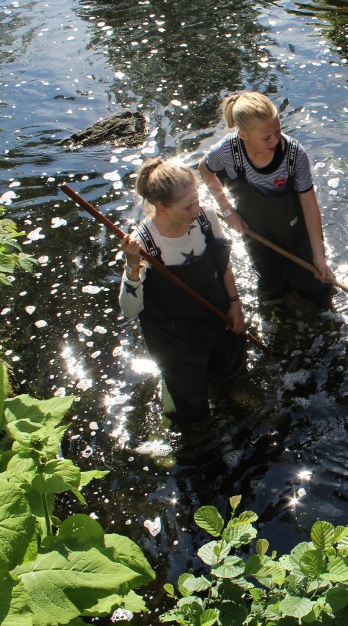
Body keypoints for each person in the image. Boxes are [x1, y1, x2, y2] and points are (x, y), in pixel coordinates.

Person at [119, 158, 247, 422]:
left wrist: (235, 305)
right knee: (192, 414)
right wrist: (132, 266)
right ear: (162, 208)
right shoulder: (144, 243)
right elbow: (130, 310)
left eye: (197, 200)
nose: (196, 209)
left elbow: (223, 266)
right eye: (187, 206)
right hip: (174, 338)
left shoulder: (205, 218)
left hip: (215, 318)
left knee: (232, 380)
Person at [198, 92, 333, 302]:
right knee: (272, 290)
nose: (275, 140)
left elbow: (309, 204)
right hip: (257, 234)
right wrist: (227, 210)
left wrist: (319, 256)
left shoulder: (295, 154)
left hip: (295, 233)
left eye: (278, 131)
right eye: (266, 137)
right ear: (243, 135)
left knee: (315, 289)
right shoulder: (227, 151)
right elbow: (204, 169)